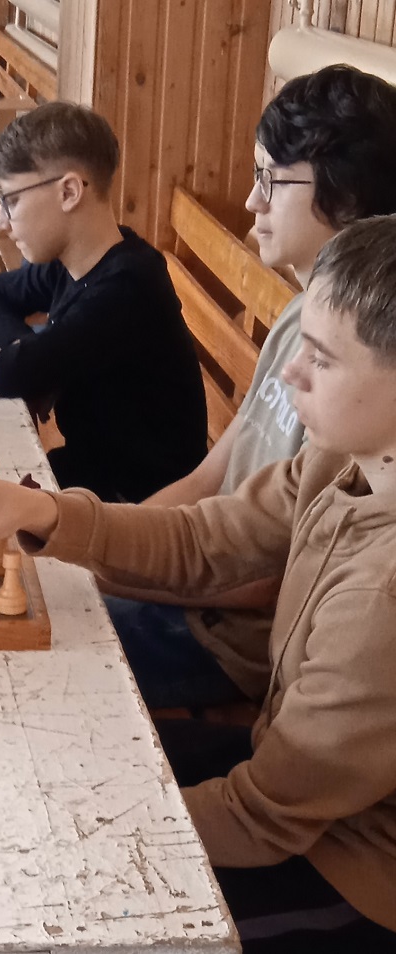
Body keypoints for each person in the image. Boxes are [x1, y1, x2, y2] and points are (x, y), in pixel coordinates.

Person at [0, 214, 396, 951]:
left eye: (322, 360)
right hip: (288, 784)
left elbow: (264, 817)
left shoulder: (380, 598)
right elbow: (204, 539)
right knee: (47, 763)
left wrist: (81, 832)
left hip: (349, 874)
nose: (290, 373)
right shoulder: (343, 460)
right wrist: (41, 510)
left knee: (49, 894)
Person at [102, 65, 396, 711]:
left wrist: (107, 571)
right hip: (201, 576)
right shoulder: (297, 318)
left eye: (272, 179)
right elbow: (210, 478)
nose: (251, 202)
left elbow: (267, 578)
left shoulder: (364, 393)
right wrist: (101, 545)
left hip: (229, 639)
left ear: (347, 196)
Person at [0, 101, 207, 503]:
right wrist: (31, 346)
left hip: (143, 508)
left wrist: (35, 361)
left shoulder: (126, 289)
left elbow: (6, 375)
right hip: (94, 472)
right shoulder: (74, 260)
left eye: (10, 200)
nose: (0, 223)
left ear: (69, 192)